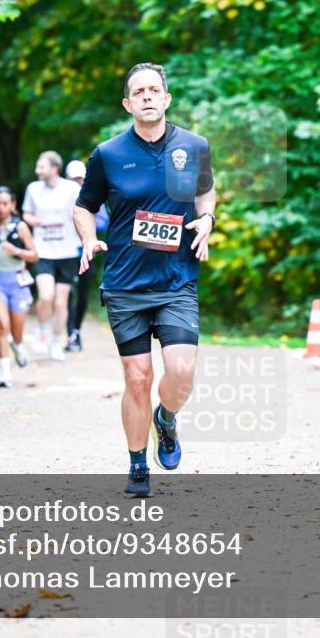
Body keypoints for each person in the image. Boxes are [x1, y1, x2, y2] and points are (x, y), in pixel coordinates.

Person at [73, 62, 216, 497]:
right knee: (136, 379)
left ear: (167, 98)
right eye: (140, 92)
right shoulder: (108, 154)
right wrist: (87, 239)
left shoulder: (193, 146)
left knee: (182, 372)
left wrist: (207, 217)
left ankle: (166, 418)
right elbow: (83, 207)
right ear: (128, 103)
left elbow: (204, 190)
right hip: (125, 285)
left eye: (155, 90)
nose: (148, 96)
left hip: (176, 281)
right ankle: (137, 463)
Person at [22, 151, 82, 361]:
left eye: (42, 166)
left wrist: (74, 215)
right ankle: (41, 329)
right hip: (43, 251)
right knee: (46, 296)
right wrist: (33, 221)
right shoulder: (33, 189)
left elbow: (83, 211)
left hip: (67, 251)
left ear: (54, 168)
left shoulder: (71, 188)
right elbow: (26, 213)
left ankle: (57, 342)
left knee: (60, 302)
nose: (38, 170)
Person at [0, 188, 38, 387]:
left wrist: (16, 250)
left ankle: (17, 344)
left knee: (16, 329)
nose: (1, 208)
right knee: (1, 324)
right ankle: (5, 373)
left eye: (5, 203)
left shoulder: (21, 227)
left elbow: (34, 255)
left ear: (13, 205)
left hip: (18, 281)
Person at [64, 159, 109, 353]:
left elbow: (103, 223)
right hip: (64, 253)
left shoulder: (92, 197)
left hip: (85, 252)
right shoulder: (60, 197)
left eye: (80, 179)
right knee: (66, 293)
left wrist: (81, 219)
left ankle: (77, 330)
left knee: (82, 293)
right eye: (74, 179)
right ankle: (69, 334)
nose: (78, 183)